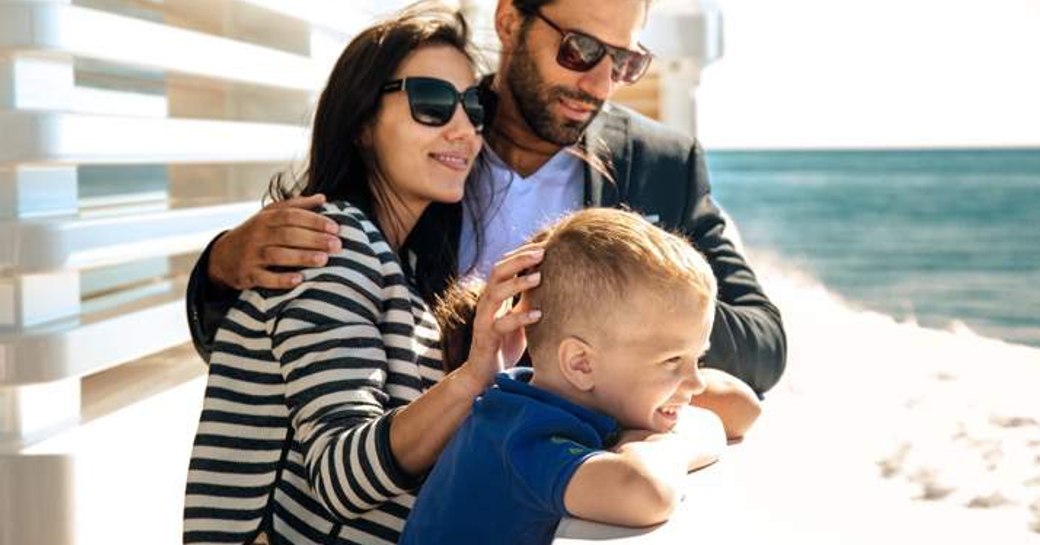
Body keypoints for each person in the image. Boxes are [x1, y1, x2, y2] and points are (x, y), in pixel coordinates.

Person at [188, 0, 784, 402]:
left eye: (624, 61)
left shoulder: (661, 163)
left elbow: (763, 345)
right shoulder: (431, 137)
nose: (599, 84)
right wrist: (221, 267)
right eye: (578, 49)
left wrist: (604, 306)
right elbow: (271, 338)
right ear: (508, 21)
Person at [183, 5, 546, 544]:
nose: (464, 130)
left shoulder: (399, 265)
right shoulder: (329, 242)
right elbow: (340, 475)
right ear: (361, 124)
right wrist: (474, 375)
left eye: (474, 107)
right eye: (431, 102)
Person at [400, 208, 745, 544]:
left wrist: (647, 432)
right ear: (581, 364)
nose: (695, 382)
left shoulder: (552, 392)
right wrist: (672, 444)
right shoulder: (521, 436)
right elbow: (644, 492)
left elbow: (741, 408)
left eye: (697, 358)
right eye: (672, 361)